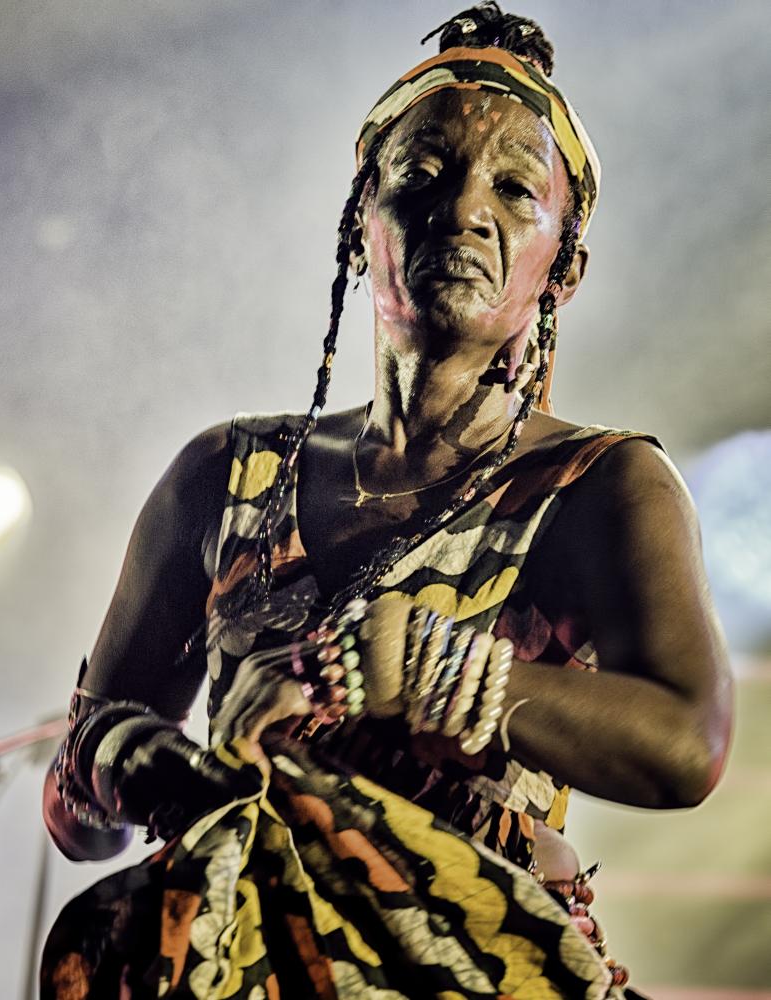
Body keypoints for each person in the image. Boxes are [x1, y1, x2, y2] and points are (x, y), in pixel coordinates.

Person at [40, 4, 733, 998]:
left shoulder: (597, 486)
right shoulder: (221, 477)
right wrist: (129, 754)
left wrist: (428, 667)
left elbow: (686, 745)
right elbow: (74, 817)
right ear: (358, 225)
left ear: (562, 267)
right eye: (422, 176)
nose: (463, 211)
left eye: (513, 189)